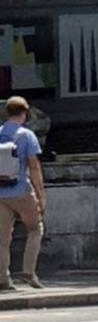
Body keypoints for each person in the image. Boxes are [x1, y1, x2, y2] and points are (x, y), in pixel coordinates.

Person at [0, 95, 45, 291]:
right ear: (24, 113)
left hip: (0, 193)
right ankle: (28, 271)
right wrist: (41, 194)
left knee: (2, 238)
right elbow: (34, 167)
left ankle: (3, 278)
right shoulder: (26, 135)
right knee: (35, 229)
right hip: (21, 191)